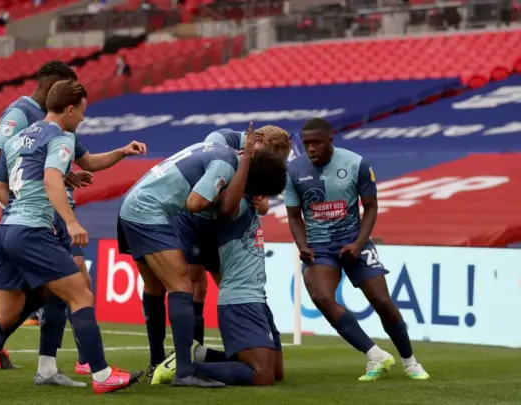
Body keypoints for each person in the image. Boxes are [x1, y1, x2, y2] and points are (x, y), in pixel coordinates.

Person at [0, 80, 143, 394]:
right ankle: (101, 376)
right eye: (82, 112)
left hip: (5, 231)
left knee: (6, 312)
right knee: (81, 295)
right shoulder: (62, 137)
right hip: (33, 231)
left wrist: (123, 152)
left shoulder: (17, 140)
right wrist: (70, 222)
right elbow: (51, 178)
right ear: (70, 109)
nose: (83, 119)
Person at [117, 124, 275, 387]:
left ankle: (158, 361)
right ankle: (184, 371)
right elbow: (194, 203)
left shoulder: (218, 147)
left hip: (133, 204)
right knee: (181, 285)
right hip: (148, 211)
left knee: (155, 288)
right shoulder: (226, 162)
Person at [284, 117, 430, 381]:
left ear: (330, 140)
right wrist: (302, 246)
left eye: (317, 143)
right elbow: (294, 215)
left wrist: (358, 243)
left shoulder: (356, 163)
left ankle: (410, 362)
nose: (311, 148)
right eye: (307, 144)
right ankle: (375, 355)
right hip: (319, 247)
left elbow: (370, 207)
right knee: (322, 298)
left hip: (354, 240)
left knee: (382, 301)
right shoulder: (294, 171)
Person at [155, 156, 288, 386]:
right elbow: (227, 204)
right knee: (261, 375)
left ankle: (199, 354)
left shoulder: (250, 201)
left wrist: (263, 203)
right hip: (240, 299)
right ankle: (185, 366)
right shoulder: (234, 205)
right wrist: (246, 159)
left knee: (276, 372)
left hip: (257, 297)